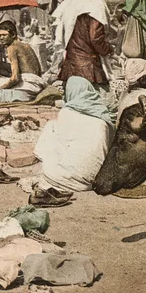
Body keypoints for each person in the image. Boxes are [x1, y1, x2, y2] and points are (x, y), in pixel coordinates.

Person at [30, 77, 116, 207]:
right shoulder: (103, 117)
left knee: (51, 126)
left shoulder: (65, 113)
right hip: (89, 182)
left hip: (54, 177)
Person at [54, 0, 116, 91]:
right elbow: (95, 38)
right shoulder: (96, 4)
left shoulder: (74, 1)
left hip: (71, 65)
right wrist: (109, 49)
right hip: (88, 69)